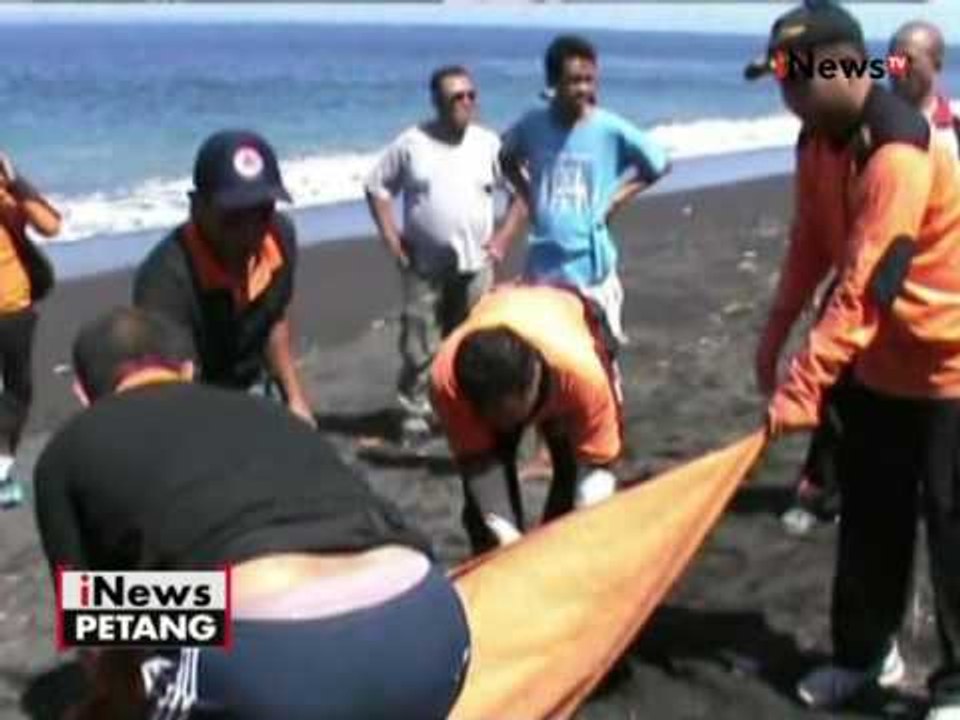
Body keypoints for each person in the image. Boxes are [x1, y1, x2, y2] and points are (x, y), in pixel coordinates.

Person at [33, 307, 470, 720]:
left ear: (83, 394)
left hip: (269, 659)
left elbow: (94, 634)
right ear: (187, 370)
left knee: (108, 605)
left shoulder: (68, 450)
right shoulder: (269, 412)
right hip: (429, 626)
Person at [748, 3, 960, 716]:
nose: (787, 94)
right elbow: (813, 242)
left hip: (947, 368)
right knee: (871, 521)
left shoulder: (899, 149)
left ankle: (956, 686)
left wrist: (805, 385)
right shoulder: (816, 139)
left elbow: (867, 284)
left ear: (843, 64)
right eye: (780, 79)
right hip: (874, 367)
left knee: (952, 524)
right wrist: (775, 335)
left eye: (797, 78)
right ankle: (866, 655)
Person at [778, 19, 960, 536]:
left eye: (911, 57)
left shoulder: (942, 130)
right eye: (894, 54)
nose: (899, 63)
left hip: (932, 321)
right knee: (841, 407)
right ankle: (817, 484)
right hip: (869, 314)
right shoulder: (856, 118)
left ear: (937, 66)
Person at [365, 65, 526, 438]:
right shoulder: (411, 143)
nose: (466, 102)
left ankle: (466, 408)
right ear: (437, 101)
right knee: (420, 344)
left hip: (476, 265)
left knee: (474, 342)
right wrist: (391, 237)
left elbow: (521, 193)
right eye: (457, 96)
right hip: (423, 265)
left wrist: (502, 239)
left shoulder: (488, 144)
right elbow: (377, 187)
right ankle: (415, 413)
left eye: (471, 95)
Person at [134, 129, 315, 427]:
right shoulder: (165, 279)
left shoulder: (279, 238)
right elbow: (173, 384)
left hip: (252, 382)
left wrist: (295, 399)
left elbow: (275, 320)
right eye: (233, 217)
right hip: (193, 399)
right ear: (197, 207)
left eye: (262, 211)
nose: (250, 229)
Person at [499, 34, 670, 345]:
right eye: (574, 81)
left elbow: (659, 165)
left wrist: (617, 198)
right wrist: (530, 195)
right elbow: (506, 158)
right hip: (543, 266)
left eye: (589, 80)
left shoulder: (609, 128)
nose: (584, 89)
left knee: (600, 359)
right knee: (548, 355)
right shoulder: (532, 125)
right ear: (552, 81)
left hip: (592, 271)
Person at [431, 284, 622, 555]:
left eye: (511, 415)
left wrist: (583, 537)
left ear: (533, 380)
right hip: (502, 309)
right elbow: (481, 464)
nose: (505, 424)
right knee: (485, 523)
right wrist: (507, 540)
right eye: (493, 416)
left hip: (569, 316)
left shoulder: (582, 376)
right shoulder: (448, 384)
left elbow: (596, 466)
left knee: (570, 472)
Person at [0, 152, 61, 508]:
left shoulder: (10, 195)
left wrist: (16, 181)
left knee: (18, 392)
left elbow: (51, 225)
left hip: (14, 311)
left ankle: (3, 469)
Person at [890, 21, 959, 159]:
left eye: (908, 60)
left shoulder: (954, 124)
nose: (898, 68)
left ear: (936, 65)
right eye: (893, 60)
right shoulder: (871, 122)